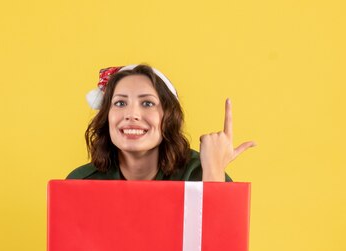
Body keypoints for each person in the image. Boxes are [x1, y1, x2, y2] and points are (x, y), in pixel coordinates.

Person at [66, 64, 254, 181]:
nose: (132, 114)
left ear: (169, 117)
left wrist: (213, 171)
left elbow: (223, 242)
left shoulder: (199, 174)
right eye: (120, 103)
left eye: (147, 103)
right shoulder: (80, 182)